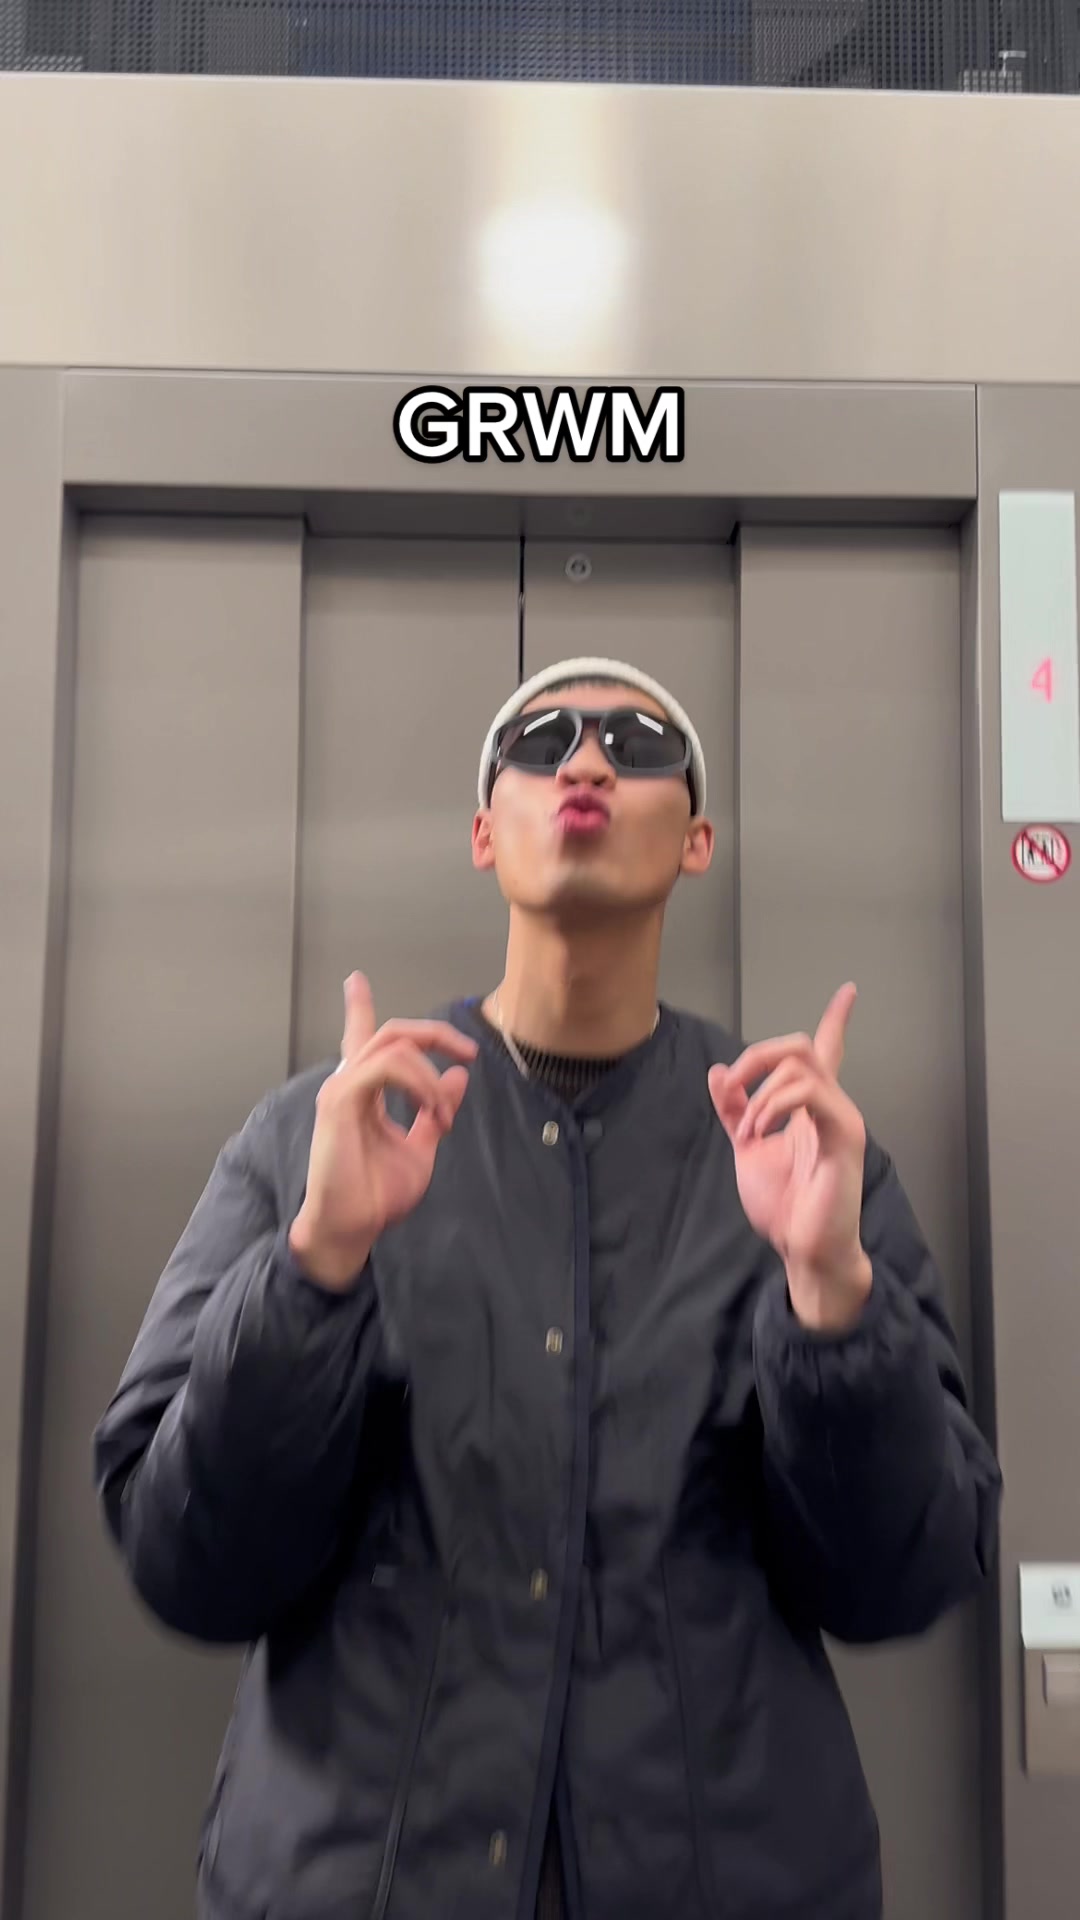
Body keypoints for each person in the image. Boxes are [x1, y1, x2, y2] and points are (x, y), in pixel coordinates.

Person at [94, 656, 1002, 1920]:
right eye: (543, 742)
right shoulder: (316, 1134)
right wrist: (314, 1269)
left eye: (637, 745)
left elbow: (904, 1576)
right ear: (485, 832)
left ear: (696, 841)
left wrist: (832, 1299)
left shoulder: (800, 1152)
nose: (585, 764)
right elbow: (185, 1560)